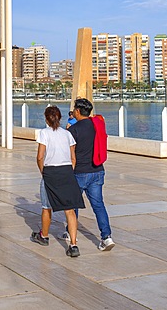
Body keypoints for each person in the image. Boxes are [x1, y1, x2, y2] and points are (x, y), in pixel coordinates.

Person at [31, 105, 83, 257]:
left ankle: (44, 236)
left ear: (46, 119)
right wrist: (69, 171)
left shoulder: (44, 133)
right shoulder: (67, 134)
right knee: (70, 210)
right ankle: (73, 245)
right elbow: (73, 157)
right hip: (66, 171)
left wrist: (43, 171)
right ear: (60, 118)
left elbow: (40, 156)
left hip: (50, 171)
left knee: (47, 207)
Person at [68, 98, 115, 251]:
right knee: (98, 205)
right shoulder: (97, 125)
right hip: (97, 170)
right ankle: (106, 237)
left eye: (75, 109)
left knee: (73, 204)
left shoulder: (73, 130)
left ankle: (70, 232)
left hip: (79, 172)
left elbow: (69, 153)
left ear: (78, 111)